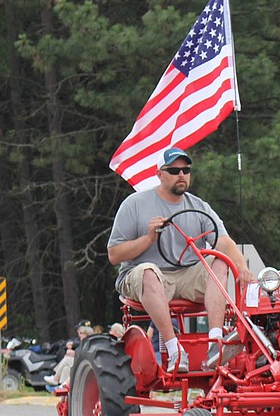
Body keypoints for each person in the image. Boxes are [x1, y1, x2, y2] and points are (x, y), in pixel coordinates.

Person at [107, 147, 254, 372]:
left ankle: (215, 343)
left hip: (184, 275)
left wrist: (242, 267)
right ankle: (174, 348)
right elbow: (114, 254)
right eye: (174, 170)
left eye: (186, 170)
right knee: (148, 270)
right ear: (160, 174)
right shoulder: (134, 204)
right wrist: (148, 239)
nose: (182, 175)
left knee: (220, 261)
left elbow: (223, 241)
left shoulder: (198, 206)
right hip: (143, 277)